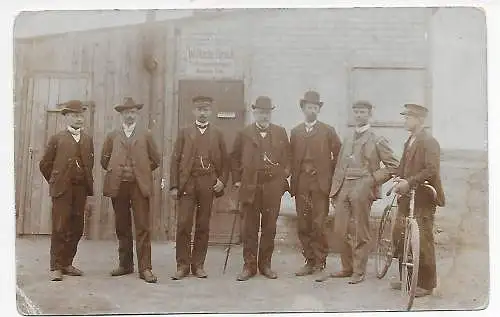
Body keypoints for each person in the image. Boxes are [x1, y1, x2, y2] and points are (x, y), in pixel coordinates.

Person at [316, 100, 399, 284]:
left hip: (363, 187)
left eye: (363, 112)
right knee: (340, 229)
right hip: (344, 187)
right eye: (356, 112)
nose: (359, 115)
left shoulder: (377, 139)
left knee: (360, 230)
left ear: (370, 114)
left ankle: (359, 271)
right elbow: (339, 166)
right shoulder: (347, 138)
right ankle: (347, 267)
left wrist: (371, 180)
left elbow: (394, 166)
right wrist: (334, 192)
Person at [169, 95, 229, 280]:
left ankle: (198, 265)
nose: (203, 113)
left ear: (210, 112)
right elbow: (175, 160)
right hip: (188, 183)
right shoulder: (184, 132)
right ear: (194, 111)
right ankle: (182, 265)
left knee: (203, 225)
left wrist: (222, 180)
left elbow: (226, 161)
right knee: (183, 224)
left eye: (206, 110)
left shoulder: (217, 134)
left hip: (207, 184)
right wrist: (174, 186)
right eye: (199, 109)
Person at [100, 97, 160, 283]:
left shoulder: (146, 134)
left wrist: (140, 171)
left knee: (142, 227)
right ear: (121, 115)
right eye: (126, 113)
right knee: (122, 226)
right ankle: (125, 265)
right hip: (119, 187)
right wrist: (119, 171)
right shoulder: (112, 135)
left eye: (133, 112)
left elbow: (155, 159)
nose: (129, 115)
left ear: (137, 114)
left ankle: (145, 268)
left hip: (139, 186)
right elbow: (105, 159)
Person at [231, 96, 291, 281]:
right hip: (250, 186)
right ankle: (249, 266)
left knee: (269, 227)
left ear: (270, 113)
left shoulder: (280, 133)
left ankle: (265, 265)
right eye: (260, 112)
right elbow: (233, 157)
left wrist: (283, 176)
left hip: (272, 186)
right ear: (254, 113)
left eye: (267, 113)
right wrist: (237, 180)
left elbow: (288, 158)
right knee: (249, 227)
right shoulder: (244, 133)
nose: (264, 116)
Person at [390, 103, 445, 297]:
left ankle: (427, 284)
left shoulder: (429, 141)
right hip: (408, 194)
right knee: (401, 234)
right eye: (405, 117)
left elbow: (431, 170)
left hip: (423, 196)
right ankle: (407, 277)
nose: (405, 120)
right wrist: (398, 176)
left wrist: (409, 181)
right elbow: (403, 165)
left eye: (408, 117)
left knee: (422, 238)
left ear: (419, 120)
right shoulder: (410, 140)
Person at [39, 100, 94, 281]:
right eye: (74, 115)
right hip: (62, 190)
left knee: (77, 228)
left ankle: (67, 263)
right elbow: (45, 164)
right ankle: (56, 266)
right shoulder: (57, 138)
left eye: (80, 115)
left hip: (80, 190)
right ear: (67, 117)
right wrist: (55, 180)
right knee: (60, 227)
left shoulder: (87, 139)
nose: (79, 119)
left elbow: (89, 166)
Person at [290, 90, 341, 277]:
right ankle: (309, 261)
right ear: (303, 108)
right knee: (303, 223)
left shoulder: (328, 131)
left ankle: (320, 262)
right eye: (308, 107)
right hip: (302, 182)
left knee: (319, 223)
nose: (311, 110)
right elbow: (291, 156)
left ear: (319, 109)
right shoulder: (296, 132)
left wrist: (330, 175)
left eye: (315, 107)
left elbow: (339, 154)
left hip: (320, 184)